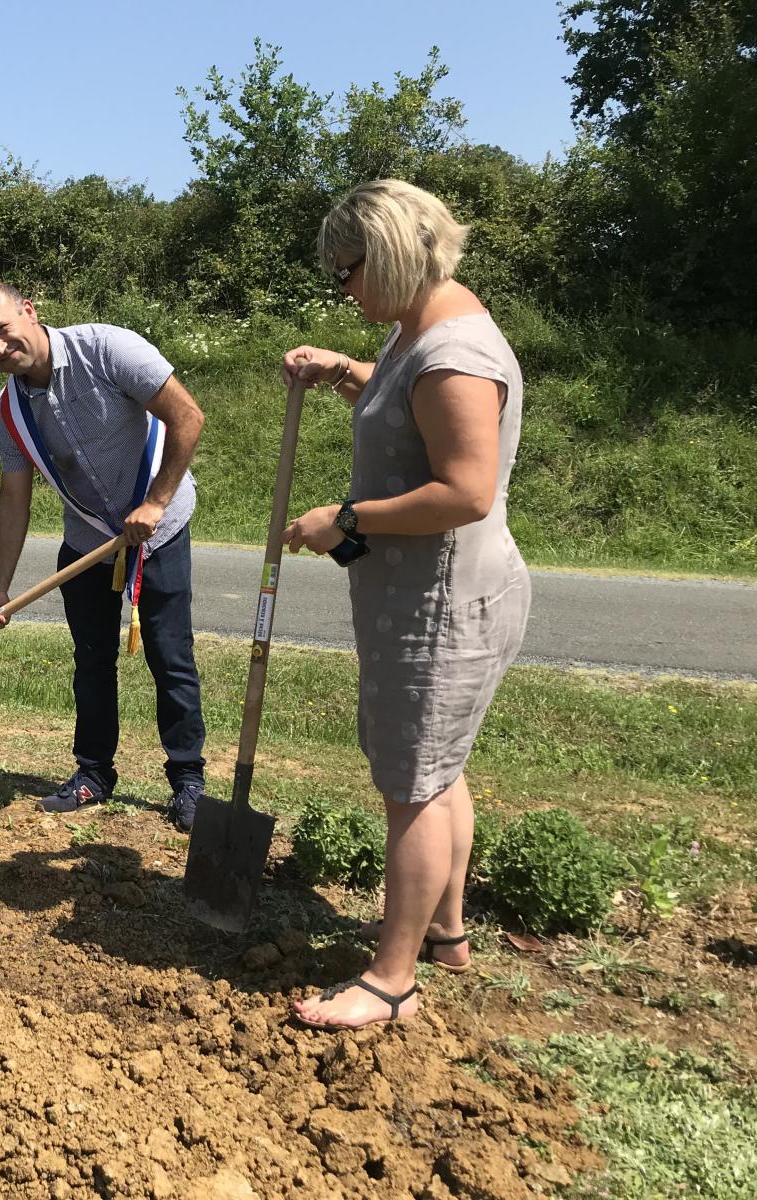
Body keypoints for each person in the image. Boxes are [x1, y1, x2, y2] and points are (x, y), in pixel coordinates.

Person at [279, 180, 531, 1030]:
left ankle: (391, 982)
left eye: (347, 271)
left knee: (411, 787)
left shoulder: (451, 352)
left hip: (440, 608)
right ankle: (447, 935)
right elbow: (407, 416)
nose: (343, 289)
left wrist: (340, 520)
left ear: (387, 254)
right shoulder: (416, 332)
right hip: (428, 594)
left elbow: (465, 489)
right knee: (438, 770)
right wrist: (344, 370)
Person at [0, 283, 208, 830]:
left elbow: (187, 416)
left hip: (160, 529)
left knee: (171, 659)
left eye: (3, 329)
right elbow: (13, 497)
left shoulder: (108, 349)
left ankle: (188, 781)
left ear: (29, 311)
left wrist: (156, 502)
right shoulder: (10, 411)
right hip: (88, 541)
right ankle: (94, 774)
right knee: (91, 661)